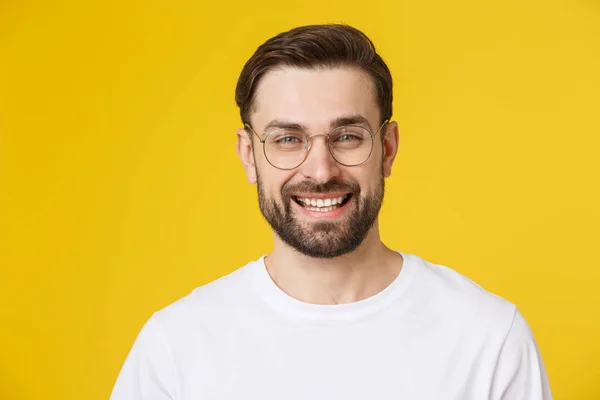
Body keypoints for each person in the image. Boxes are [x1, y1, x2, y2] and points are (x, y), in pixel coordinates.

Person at [110, 24, 552, 399]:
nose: (320, 171)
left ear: (388, 149)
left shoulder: (489, 338)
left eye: (347, 136)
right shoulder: (175, 348)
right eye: (288, 139)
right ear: (249, 155)